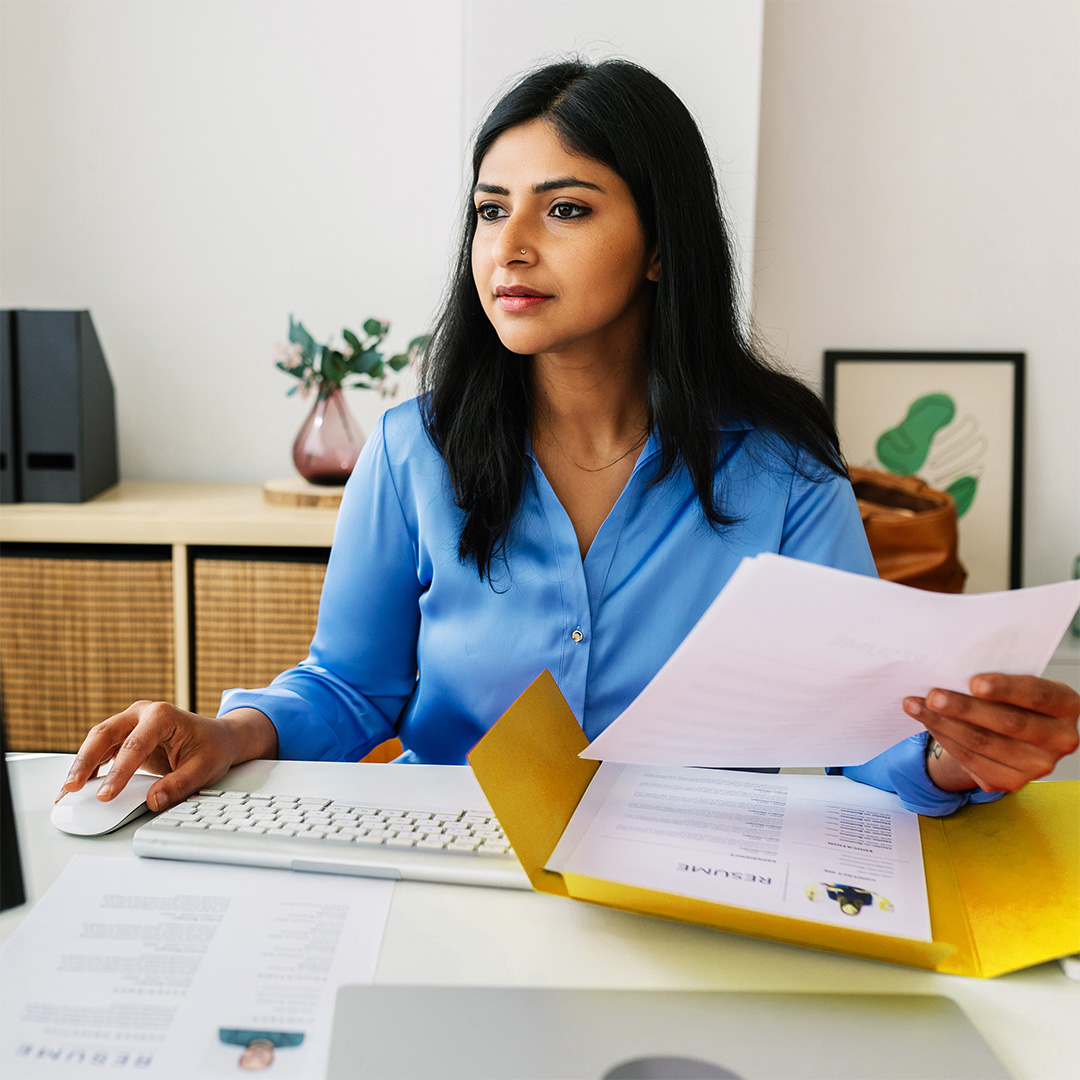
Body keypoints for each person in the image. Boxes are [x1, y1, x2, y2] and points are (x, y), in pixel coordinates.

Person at [60, 59, 1078, 819]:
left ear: (658, 251)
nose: (510, 244)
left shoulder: (783, 475)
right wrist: (231, 730)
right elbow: (350, 686)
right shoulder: (413, 452)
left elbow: (863, 746)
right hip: (454, 859)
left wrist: (956, 758)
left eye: (568, 208)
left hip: (699, 878)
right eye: (491, 210)